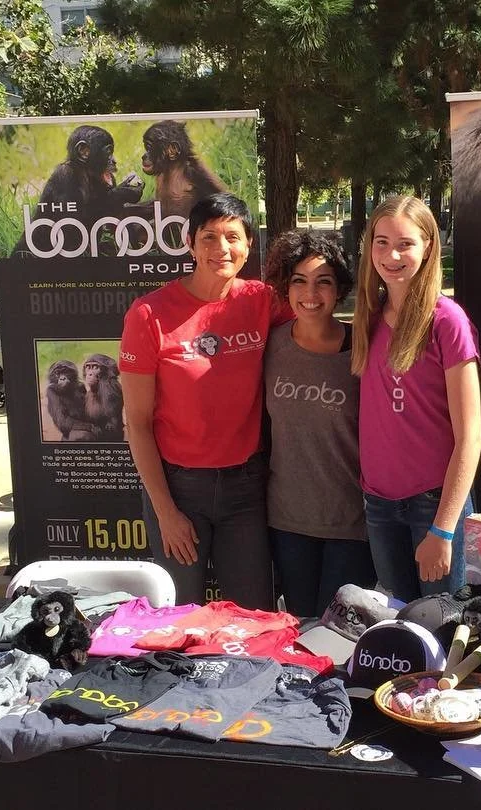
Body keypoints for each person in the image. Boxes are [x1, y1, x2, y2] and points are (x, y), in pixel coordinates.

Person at [119, 193, 291, 610]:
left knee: (251, 615)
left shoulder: (264, 301)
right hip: (179, 490)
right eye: (209, 237)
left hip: (246, 488)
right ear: (190, 244)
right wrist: (166, 512)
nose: (221, 248)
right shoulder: (149, 315)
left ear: (249, 244)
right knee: (179, 614)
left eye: (232, 236)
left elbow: (314, 329)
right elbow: (137, 424)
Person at [351, 195, 481, 602]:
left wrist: (443, 529)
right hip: (379, 506)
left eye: (405, 243)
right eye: (382, 242)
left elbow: (470, 437)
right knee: (397, 625)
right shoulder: (368, 317)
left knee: (440, 627)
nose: (392, 255)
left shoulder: (447, 320)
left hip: (434, 505)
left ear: (427, 247)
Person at [263, 230, 376, 617]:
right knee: (299, 628)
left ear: (339, 288)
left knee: (338, 636)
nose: (310, 293)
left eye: (323, 281)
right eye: (299, 280)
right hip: (288, 521)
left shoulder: (363, 347)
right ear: (286, 287)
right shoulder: (270, 346)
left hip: (352, 524)